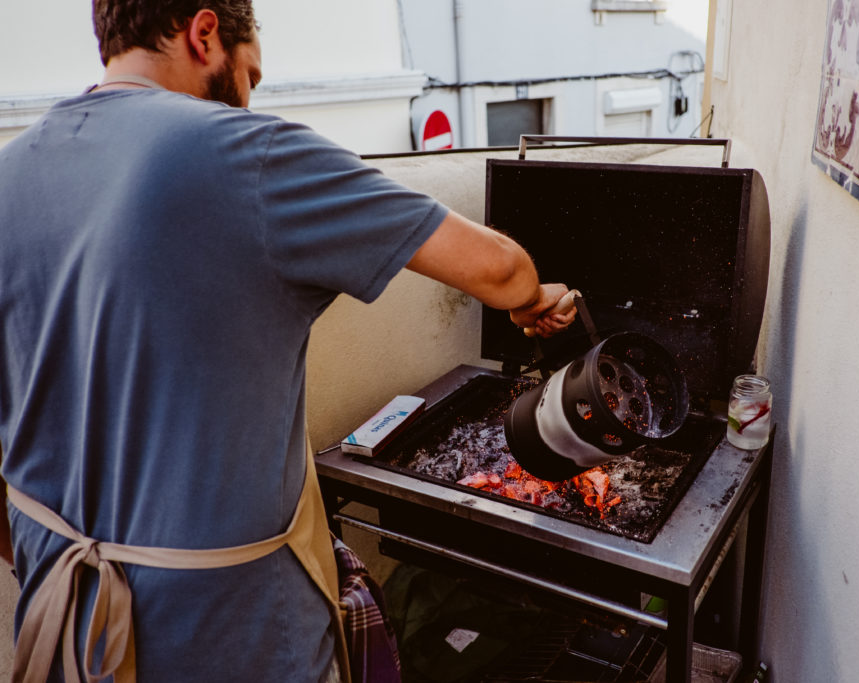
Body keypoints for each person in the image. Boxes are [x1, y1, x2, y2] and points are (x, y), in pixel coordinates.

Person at [0, 1, 575, 681]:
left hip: (59, 627)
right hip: (230, 637)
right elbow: (500, 267)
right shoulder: (244, 151)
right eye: (250, 76)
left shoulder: (10, 174)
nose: (247, 99)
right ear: (204, 32)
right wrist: (533, 303)